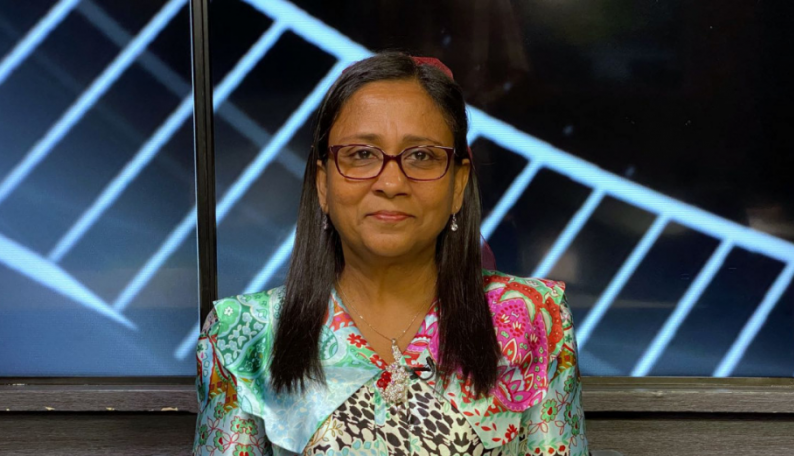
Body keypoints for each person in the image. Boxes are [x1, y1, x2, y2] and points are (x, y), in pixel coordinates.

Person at [193, 51, 589, 456]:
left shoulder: (534, 320)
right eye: (362, 154)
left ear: (458, 185)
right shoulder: (244, 335)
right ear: (323, 184)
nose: (392, 182)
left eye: (421, 156)